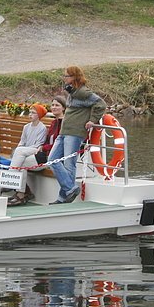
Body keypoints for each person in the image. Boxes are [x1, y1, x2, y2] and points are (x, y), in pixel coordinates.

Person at [48, 66, 106, 205]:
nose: (64, 78)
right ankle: (70, 189)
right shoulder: (72, 92)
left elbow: (100, 104)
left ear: (74, 77)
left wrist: (92, 119)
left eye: (67, 76)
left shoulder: (83, 92)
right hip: (64, 131)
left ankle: (64, 197)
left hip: (74, 133)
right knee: (53, 159)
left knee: (69, 165)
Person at [7, 104, 49, 206]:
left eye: (33, 113)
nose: (30, 115)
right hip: (25, 155)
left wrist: (20, 150)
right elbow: (22, 142)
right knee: (21, 164)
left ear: (39, 115)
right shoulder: (26, 127)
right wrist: (20, 149)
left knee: (20, 152)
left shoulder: (42, 128)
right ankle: (21, 194)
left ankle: (10, 178)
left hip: (35, 152)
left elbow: (38, 145)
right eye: (30, 112)